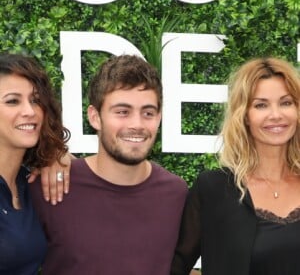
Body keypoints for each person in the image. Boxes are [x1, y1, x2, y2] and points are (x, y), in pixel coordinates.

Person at [30, 54, 189, 275]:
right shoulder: (51, 186)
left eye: (148, 113)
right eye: (122, 112)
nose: (137, 124)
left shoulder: (177, 194)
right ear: (95, 117)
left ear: (159, 118)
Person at [171, 57, 300, 275]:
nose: (276, 115)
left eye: (286, 102)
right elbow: (175, 266)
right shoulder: (214, 189)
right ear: (245, 116)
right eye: (261, 105)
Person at [0, 53, 70, 274]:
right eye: (12, 101)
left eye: (35, 100)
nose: (30, 112)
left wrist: (58, 157)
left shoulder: (24, 181)